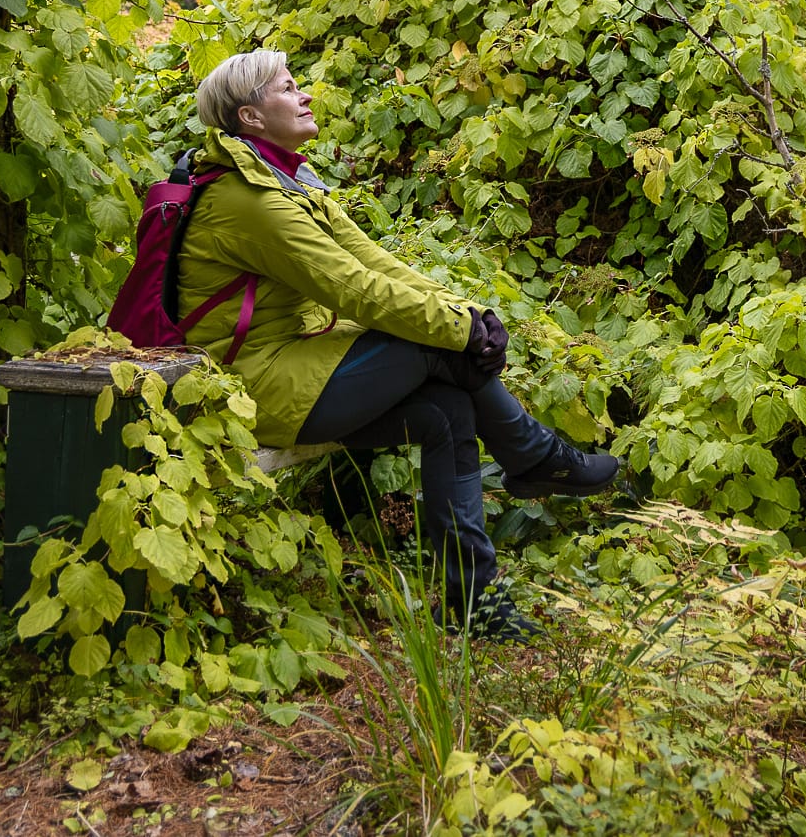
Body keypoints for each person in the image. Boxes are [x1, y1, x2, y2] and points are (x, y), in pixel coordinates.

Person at [178, 49, 618, 642]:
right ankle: (536, 457)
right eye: (286, 88)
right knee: (435, 348)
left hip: (292, 364)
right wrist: (462, 332)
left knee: (447, 411)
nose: (304, 95)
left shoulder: (285, 179)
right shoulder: (249, 200)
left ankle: (473, 601)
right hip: (252, 386)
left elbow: (374, 262)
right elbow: (353, 289)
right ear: (251, 118)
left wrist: (471, 315)